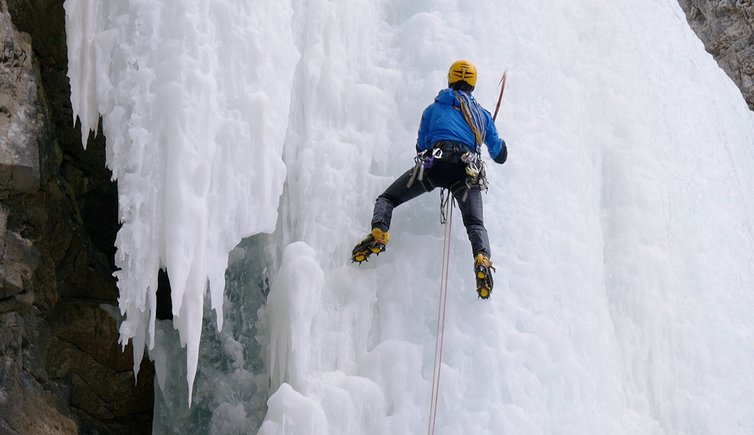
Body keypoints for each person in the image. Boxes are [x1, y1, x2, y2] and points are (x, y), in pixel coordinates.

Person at [351, 60, 508, 299]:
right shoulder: (483, 116)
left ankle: (380, 231)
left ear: (450, 80)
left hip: (433, 165)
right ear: (473, 85)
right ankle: (482, 258)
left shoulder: (432, 110)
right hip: (467, 174)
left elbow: (421, 146)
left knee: (388, 198)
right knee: (475, 224)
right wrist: (493, 137)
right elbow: (500, 155)